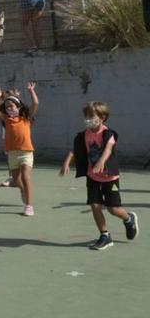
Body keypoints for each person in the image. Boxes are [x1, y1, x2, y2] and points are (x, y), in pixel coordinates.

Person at [59, 101, 139, 250]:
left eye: (91, 116)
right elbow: (74, 150)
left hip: (110, 178)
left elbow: (108, 149)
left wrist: (101, 161)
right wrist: (66, 162)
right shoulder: (83, 135)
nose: (87, 119)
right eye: (86, 116)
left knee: (113, 209)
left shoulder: (108, 133)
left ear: (102, 117)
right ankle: (105, 235)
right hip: (93, 176)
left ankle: (128, 219)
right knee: (95, 205)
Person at [0, 83, 40, 216]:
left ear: (19, 106)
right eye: (7, 107)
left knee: (26, 177)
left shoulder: (26, 119)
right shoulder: (7, 119)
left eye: (11, 106)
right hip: (12, 154)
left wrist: (31, 91)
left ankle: (29, 206)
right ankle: (22, 190)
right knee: (16, 181)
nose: (9, 108)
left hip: (26, 153)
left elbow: (35, 103)